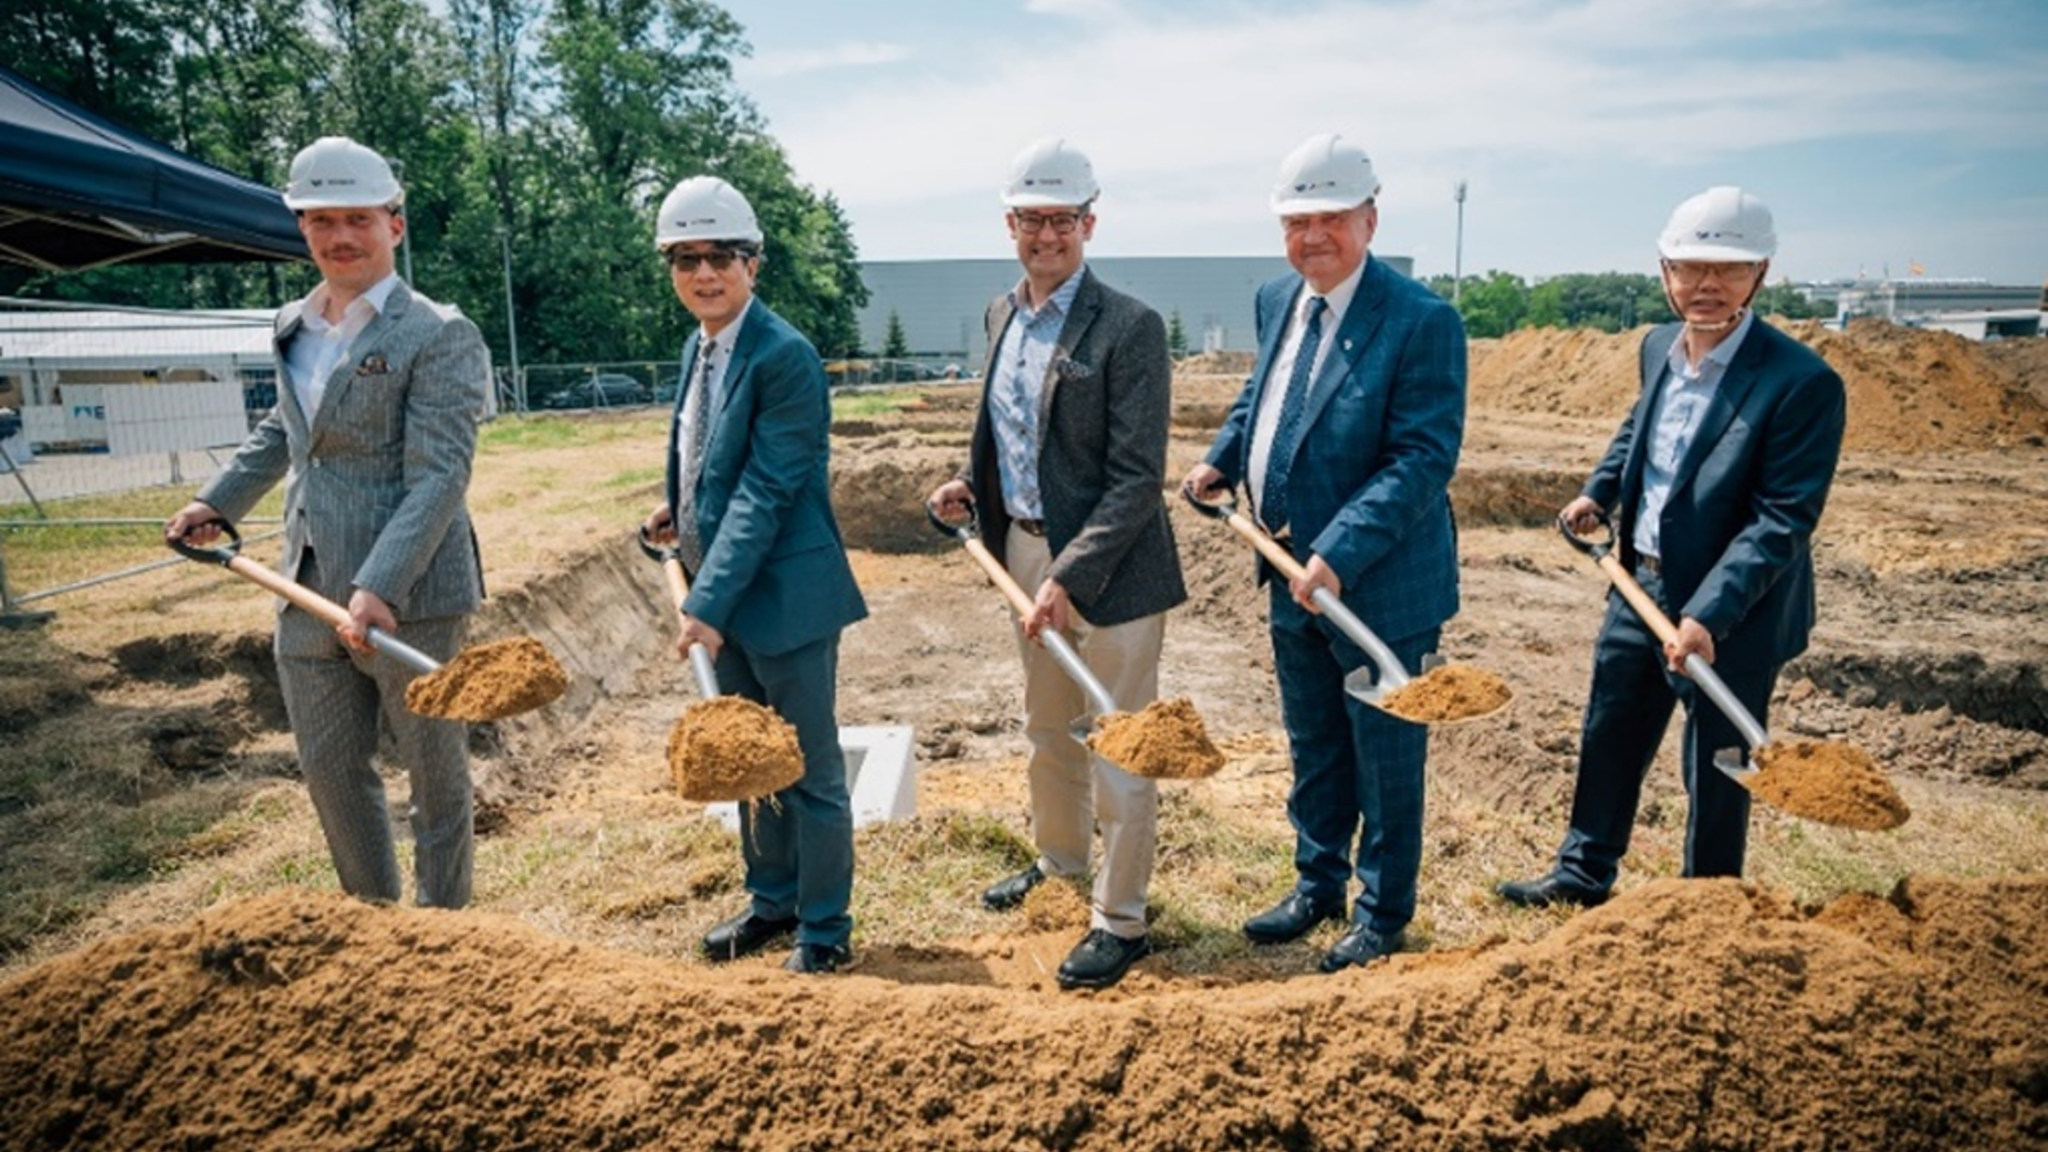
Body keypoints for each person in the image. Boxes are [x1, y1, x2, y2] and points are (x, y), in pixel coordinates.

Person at [164, 136, 491, 908]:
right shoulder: (291, 324)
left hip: (413, 594)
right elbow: (286, 431)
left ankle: (447, 939)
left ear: (394, 226)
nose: (340, 237)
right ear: (302, 228)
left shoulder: (439, 331)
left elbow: (440, 473)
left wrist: (380, 584)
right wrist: (218, 501)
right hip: (302, 582)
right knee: (333, 775)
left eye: (358, 218)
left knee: (434, 779)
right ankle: (369, 930)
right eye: (320, 220)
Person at [1498, 187, 1846, 909]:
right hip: (1640, 582)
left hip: (1737, 610)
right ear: (1664, 271)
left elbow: (1782, 517)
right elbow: (1641, 430)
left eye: (1727, 269)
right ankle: (1582, 872)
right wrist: (1600, 493)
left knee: (1718, 762)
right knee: (1612, 729)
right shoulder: (1658, 345)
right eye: (1688, 268)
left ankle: (1709, 901)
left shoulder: (1802, 383)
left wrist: (1709, 614)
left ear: (1762, 273)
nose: (1705, 286)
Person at [1182, 133, 1466, 973]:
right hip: (1284, 567)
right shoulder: (1280, 298)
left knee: (1384, 755)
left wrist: (1338, 553)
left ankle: (1383, 911)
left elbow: (1422, 458)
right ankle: (1317, 883)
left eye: (1330, 220)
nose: (1312, 238)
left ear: (1370, 218)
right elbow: (1264, 396)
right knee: (1314, 743)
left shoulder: (1421, 321)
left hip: (1375, 585)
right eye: (1296, 222)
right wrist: (1221, 459)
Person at [927, 138, 1185, 991]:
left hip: (1108, 569)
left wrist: (1070, 576)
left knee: (1118, 738)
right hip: (1023, 550)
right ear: (1011, 225)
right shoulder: (1004, 315)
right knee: (1048, 730)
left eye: (1062, 220)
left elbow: (1137, 477)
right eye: (1032, 220)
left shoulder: (1130, 326)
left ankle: (1121, 918)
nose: (1047, 235)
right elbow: (1014, 436)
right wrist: (972, 487)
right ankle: (1061, 866)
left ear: (1089, 223)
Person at [641, 176, 869, 974]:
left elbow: (770, 489)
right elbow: (712, 462)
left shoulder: (785, 356)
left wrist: (704, 603)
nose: (704, 274)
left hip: (784, 600)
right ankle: (772, 901)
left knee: (805, 767)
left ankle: (825, 929)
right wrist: (678, 514)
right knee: (747, 764)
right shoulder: (701, 344)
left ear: (753, 264)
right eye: (687, 259)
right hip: (724, 590)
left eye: (721, 258)